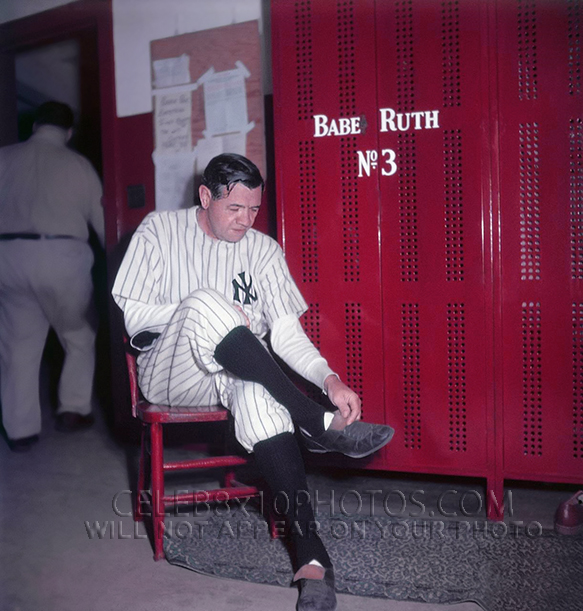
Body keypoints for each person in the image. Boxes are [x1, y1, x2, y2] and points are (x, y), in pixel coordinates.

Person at [112, 153, 394, 611]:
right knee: (207, 302)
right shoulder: (159, 231)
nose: (245, 221)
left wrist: (330, 379)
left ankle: (311, 558)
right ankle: (311, 419)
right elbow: (138, 318)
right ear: (206, 197)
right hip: (171, 371)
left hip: (237, 369)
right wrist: (210, 311)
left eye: (253, 210)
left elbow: (285, 334)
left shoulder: (262, 250)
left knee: (261, 396)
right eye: (234, 209)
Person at [0, 101, 104, 452]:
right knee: (79, 335)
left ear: (35, 126)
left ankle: (21, 430)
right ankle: (73, 409)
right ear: (68, 132)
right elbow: (103, 225)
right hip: (63, 257)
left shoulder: (4, 159)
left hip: (9, 255)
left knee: (18, 345)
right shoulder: (79, 165)